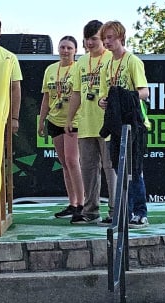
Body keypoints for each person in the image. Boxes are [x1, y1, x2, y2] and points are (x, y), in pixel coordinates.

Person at [98, 20, 150, 228]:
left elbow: (144, 92)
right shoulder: (107, 65)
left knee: (134, 169)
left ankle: (141, 213)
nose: (107, 42)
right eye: (104, 38)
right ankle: (124, 213)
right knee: (120, 170)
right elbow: (105, 95)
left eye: (110, 37)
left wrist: (124, 97)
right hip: (116, 125)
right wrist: (104, 101)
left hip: (134, 124)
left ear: (121, 37)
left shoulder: (133, 61)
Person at [65, 20, 116, 225]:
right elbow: (76, 92)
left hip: (107, 124)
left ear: (103, 38)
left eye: (94, 39)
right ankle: (90, 210)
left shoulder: (112, 58)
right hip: (86, 124)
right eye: (87, 39)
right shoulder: (81, 62)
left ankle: (115, 210)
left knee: (110, 167)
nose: (90, 43)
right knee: (88, 168)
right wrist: (69, 118)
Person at [37, 36, 84, 219]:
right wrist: (41, 121)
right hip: (54, 119)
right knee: (64, 163)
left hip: (73, 120)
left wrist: (71, 119)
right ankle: (72, 203)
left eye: (69, 48)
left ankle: (82, 204)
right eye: (62, 47)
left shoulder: (79, 69)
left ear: (75, 51)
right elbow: (46, 98)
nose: (65, 51)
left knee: (73, 161)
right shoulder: (50, 69)